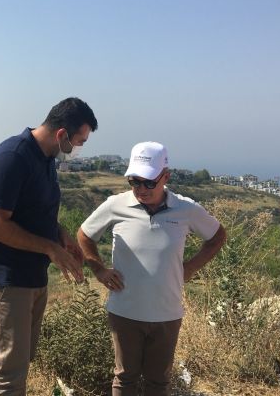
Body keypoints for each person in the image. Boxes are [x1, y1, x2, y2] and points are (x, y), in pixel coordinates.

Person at [77, 141, 226, 396]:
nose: (140, 189)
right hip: (125, 311)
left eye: (148, 182)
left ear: (165, 177)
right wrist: (99, 270)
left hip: (166, 313)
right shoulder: (115, 205)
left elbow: (217, 236)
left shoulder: (186, 209)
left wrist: (190, 268)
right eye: (134, 182)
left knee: (158, 381)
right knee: (125, 378)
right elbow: (84, 235)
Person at [0, 97, 98, 395]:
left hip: (31, 278)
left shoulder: (45, 158)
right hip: (7, 280)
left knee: (20, 365)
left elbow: (34, 212)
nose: (78, 148)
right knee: (7, 375)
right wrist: (50, 249)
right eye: (79, 141)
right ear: (61, 134)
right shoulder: (13, 157)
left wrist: (60, 235)